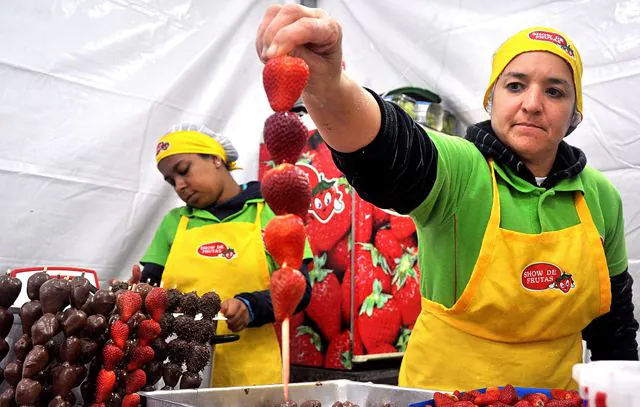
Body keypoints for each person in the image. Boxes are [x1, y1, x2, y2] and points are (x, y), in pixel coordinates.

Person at [255, 5, 639, 391]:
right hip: (444, 396)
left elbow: (615, 322)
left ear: (575, 113)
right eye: (516, 85)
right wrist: (329, 87)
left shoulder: (599, 196)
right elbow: (390, 148)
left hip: (558, 398)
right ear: (492, 99)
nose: (533, 103)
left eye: (555, 91)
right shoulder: (462, 169)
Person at [138, 123, 313, 387]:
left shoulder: (272, 212)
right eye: (171, 180)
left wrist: (250, 306)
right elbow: (150, 285)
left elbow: (300, 289)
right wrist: (139, 291)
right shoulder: (174, 222)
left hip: (251, 376)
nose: (180, 185)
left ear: (217, 159)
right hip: (178, 372)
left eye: (184, 170)